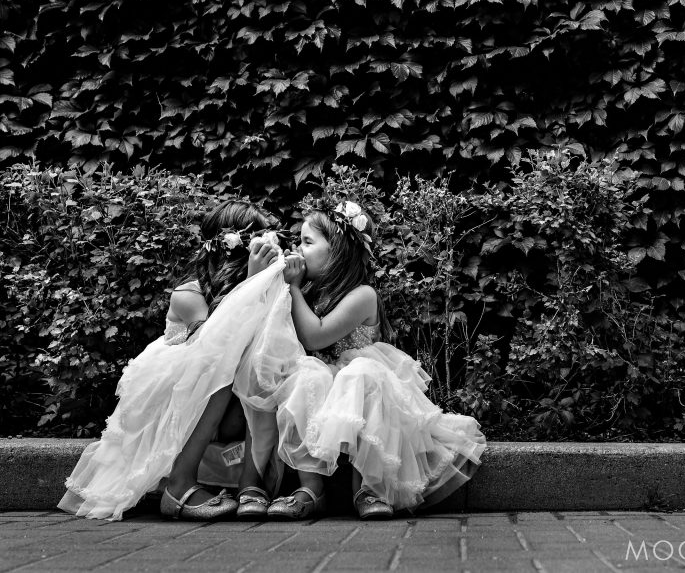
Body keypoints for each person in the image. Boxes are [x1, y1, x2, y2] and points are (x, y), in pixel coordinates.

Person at [243, 196, 486, 520]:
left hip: (357, 383)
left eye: (307, 242)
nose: (298, 250)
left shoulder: (362, 295)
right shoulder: (307, 292)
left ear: (338, 250)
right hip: (323, 383)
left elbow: (315, 335)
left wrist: (295, 289)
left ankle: (370, 485)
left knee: (361, 375)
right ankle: (311, 488)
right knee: (303, 375)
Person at [58, 200, 284, 520]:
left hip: (229, 409)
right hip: (182, 398)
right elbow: (220, 342)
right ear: (231, 249)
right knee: (221, 372)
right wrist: (251, 282)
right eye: (258, 240)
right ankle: (179, 485)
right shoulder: (188, 294)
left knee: (267, 371)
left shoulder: (261, 289)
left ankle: (251, 484)